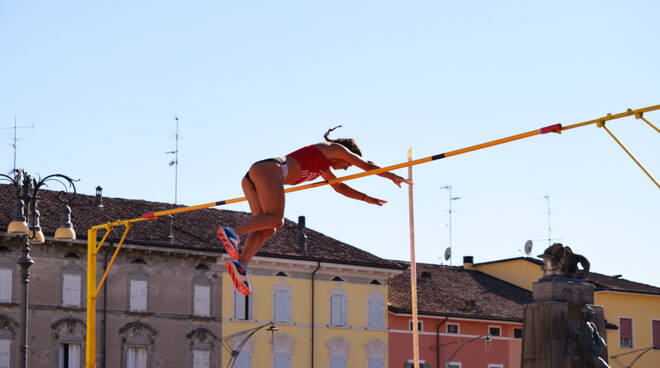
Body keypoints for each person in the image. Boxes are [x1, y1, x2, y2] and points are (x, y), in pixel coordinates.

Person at [218, 125, 411, 295]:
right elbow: (367, 165)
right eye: (348, 164)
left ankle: (241, 265)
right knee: (277, 219)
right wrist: (392, 176)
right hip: (269, 170)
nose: (346, 168)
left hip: (253, 177)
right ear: (347, 154)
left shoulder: (324, 168)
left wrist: (366, 198)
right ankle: (233, 232)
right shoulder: (334, 149)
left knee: (267, 227)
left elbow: (339, 187)